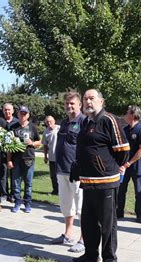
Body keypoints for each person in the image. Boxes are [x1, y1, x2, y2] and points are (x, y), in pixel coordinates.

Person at [71, 89, 129, 262]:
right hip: (88, 181)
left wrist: (107, 167)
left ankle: (110, 259)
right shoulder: (86, 121)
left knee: (107, 223)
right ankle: (90, 254)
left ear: (101, 101)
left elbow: (123, 150)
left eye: (92, 98)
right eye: (85, 99)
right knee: (88, 221)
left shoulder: (108, 120)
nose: (88, 101)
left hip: (106, 181)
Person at [51, 91, 86, 253]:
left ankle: (84, 239)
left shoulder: (85, 122)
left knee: (81, 207)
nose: (69, 106)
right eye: (67, 103)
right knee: (66, 205)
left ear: (80, 105)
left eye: (72, 103)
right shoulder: (64, 123)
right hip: (62, 169)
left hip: (77, 171)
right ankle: (68, 234)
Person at [117, 105, 141, 223]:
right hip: (124, 167)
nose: (125, 114)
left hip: (137, 167)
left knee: (138, 192)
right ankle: (119, 212)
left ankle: (139, 215)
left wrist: (129, 163)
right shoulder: (124, 130)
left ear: (133, 115)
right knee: (121, 190)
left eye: (127, 112)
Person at [8, 106, 41, 213]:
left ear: (28, 115)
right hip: (16, 159)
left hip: (29, 158)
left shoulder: (33, 127)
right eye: (21, 113)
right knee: (16, 183)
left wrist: (32, 143)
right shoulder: (13, 127)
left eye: (24, 113)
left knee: (28, 183)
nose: (22, 115)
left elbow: (39, 142)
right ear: (17, 114)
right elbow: (8, 146)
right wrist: (9, 160)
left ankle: (27, 203)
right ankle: (17, 203)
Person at [0, 102, 19, 202]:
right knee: (3, 174)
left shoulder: (17, 122)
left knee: (13, 174)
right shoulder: (0, 121)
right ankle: (4, 193)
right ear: (3, 111)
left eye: (9, 109)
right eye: (5, 110)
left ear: (13, 111)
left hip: (14, 153)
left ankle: (12, 194)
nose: (7, 111)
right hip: (2, 152)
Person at [42, 115, 59, 195]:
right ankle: (55, 190)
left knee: (61, 176)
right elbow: (45, 145)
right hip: (52, 157)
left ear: (54, 121)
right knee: (53, 175)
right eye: (47, 122)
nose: (49, 123)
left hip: (61, 157)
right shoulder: (46, 131)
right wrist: (45, 156)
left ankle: (63, 191)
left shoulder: (60, 128)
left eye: (50, 121)